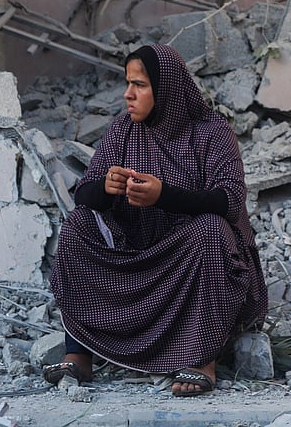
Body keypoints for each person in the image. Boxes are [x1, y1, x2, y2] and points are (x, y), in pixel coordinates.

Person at [47, 43, 268, 397]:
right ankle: (79, 352)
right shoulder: (123, 130)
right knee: (77, 226)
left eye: (140, 85)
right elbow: (84, 193)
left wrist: (163, 195)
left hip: (188, 259)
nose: (128, 94)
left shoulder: (211, 132)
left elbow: (230, 200)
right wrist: (106, 187)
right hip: (137, 251)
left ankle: (201, 357)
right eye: (127, 83)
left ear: (166, 89)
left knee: (212, 231)